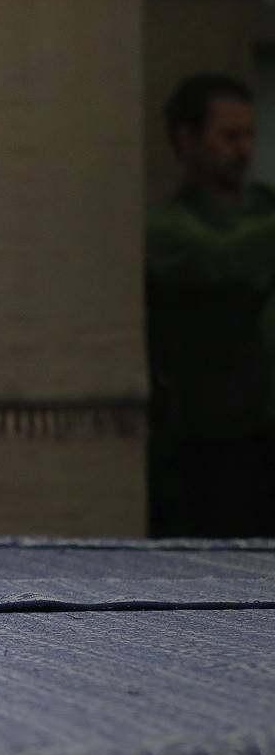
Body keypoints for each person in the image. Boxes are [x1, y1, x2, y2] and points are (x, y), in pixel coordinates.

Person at [145, 73, 275, 537]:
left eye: (249, 135)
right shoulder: (167, 227)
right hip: (210, 443)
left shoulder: (263, 207)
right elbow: (218, 258)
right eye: (229, 136)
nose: (244, 150)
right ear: (188, 139)